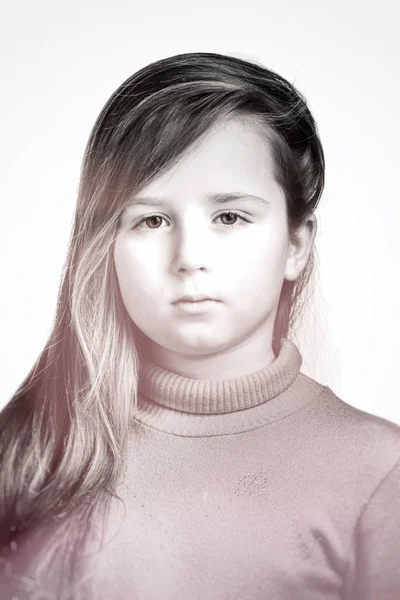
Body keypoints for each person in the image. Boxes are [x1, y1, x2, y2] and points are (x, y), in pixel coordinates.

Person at [0, 52, 399, 600]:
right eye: (152, 219)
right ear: (105, 245)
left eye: (229, 216)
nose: (189, 257)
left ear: (296, 246)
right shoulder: (27, 452)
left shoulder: (382, 474)